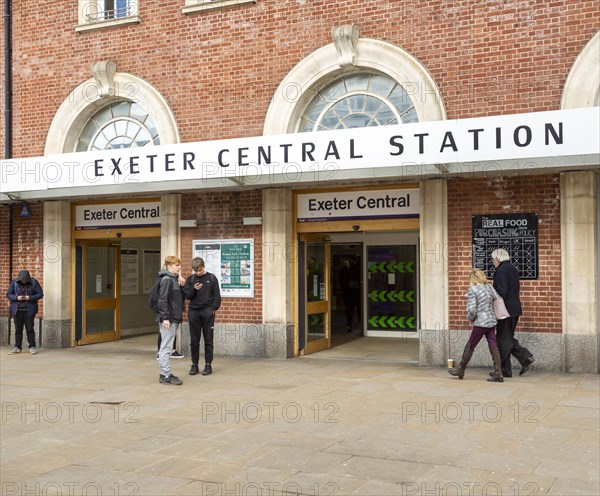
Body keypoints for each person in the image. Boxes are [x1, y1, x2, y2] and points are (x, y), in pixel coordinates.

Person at [448, 268, 503, 382]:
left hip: (480, 322)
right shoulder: (489, 287)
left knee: (471, 344)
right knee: (493, 345)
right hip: (491, 321)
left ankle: (461, 369)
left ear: (473, 278)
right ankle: (499, 373)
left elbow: (472, 310)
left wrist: (470, 319)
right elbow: (497, 299)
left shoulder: (473, 289)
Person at [491, 248, 535, 377]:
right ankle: (525, 359)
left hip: (505, 310)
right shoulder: (513, 269)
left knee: (503, 340)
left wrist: (493, 301)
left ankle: (506, 369)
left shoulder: (501, 271)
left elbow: (502, 292)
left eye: (494, 260)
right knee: (507, 337)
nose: (493, 262)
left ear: (498, 259)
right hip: (514, 309)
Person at [184, 257, 221, 376]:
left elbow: (217, 296)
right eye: (195, 271)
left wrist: (213, 309)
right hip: (194, 312)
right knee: (194, 340)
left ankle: (208, 365)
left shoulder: (211, 278)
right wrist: (194, 289)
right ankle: (194, 364)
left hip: (207, 312)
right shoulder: (191, 279)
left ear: (203, 267)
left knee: (208, 339)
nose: (198, 273)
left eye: (199, 270)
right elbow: (188, 296)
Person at [156, 256, 185, 385]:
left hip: (172, 317)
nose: (179, 267)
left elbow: (176, 299)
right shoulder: (167, 280)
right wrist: (165, 318)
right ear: (169, 266)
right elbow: (162, 300)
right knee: (166, 348)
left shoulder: (173, 279)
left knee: (165, 347)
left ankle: (164, 374)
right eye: (176, 265)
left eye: (179, 265)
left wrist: (181, 286)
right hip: (169, 318)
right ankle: (166, 375)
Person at [6, 270, 44, 354]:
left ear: (28, 278)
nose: (24, 281)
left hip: (29, 310)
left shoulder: (34, 282)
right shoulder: (14, 283)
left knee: (30, 329)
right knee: (18, 329)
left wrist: (29, 298)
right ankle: (17, 347)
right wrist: (17, 298)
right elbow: (8, 294)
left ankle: (32, 346)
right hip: (17, 310)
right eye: (22, 280)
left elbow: (40, 294)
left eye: (25, 280)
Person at [339, 260, 353, 332]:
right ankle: (349, 320)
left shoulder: (341, 271)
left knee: (346, 305)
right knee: (350, 305)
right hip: (350, 290)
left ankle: (348, 317)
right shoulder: (350, 271)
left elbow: (339, 280)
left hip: (344, 290)